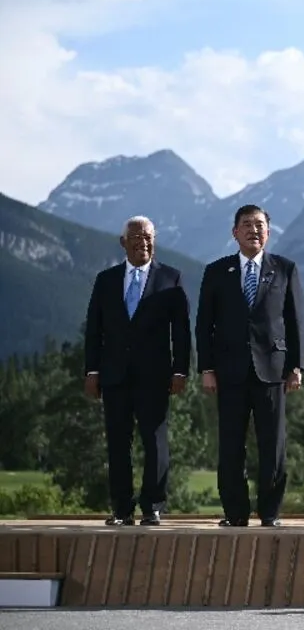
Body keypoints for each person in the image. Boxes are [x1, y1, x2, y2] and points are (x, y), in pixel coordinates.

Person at [195, 204, 304, 527]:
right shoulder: (216, 271)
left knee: (273, 445)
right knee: (231, 445)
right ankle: (235, 513)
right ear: (235, 232)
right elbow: (204, 325)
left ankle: (270, 512)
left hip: (272, 370)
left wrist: (296, 366)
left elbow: (295, 322)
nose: (253, 230)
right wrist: (206, 369)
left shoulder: (285, 269)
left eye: (259, 225)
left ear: (268, 232)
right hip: (229, 372)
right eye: (247, 224)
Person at [83, 215, 191, 526]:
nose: (143, 242)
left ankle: (152, 506)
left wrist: (181, 370)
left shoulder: (171, 277)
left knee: (155, 442)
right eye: (136, 237)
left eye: (148, 237)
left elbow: (181, 331)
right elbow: (94, 329)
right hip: (114, 375)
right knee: (118, 443)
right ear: (123, 242)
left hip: (155, 376)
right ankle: (121, 509)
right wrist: (92, 371)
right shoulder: (106, 280)